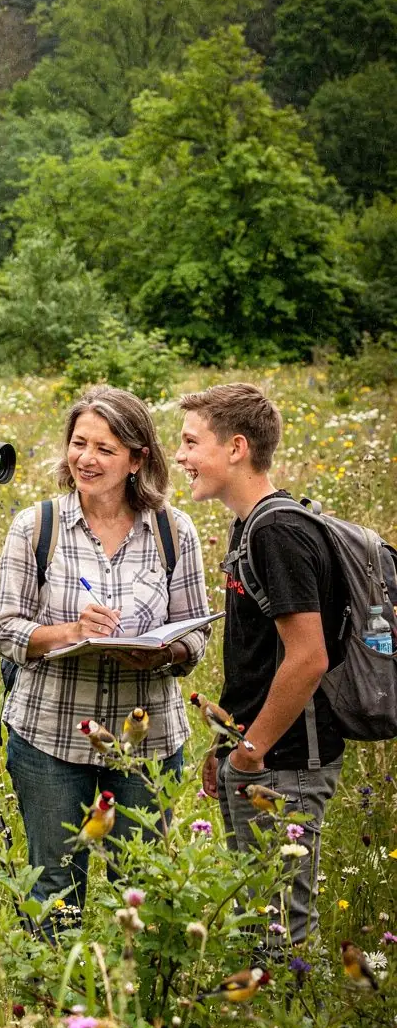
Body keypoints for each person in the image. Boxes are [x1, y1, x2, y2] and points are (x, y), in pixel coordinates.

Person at [0, 384, 210, 928]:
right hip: (50, 737)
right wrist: (68, 631)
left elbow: (197, 633)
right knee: (54, 883)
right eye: (79, 444)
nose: (86, 459)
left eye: (105, 449)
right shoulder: (36, 526)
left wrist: (163, 654)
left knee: (143, 885)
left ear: (138, 459)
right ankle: (54, 1004)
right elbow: (6, 629)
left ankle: (131, 1001)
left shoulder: (171, 529)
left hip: (146, 743)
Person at [176, 383, 345, 948]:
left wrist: (253, 751)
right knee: (260, 920)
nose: (181, 457)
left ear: (236, 447)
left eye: (190, 442)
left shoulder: (278, 530)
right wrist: (230, 744)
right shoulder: (252, 524)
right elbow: (262, 659)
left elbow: (309, 656)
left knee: (281, 933)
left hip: (287, 765)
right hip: (263, 758)